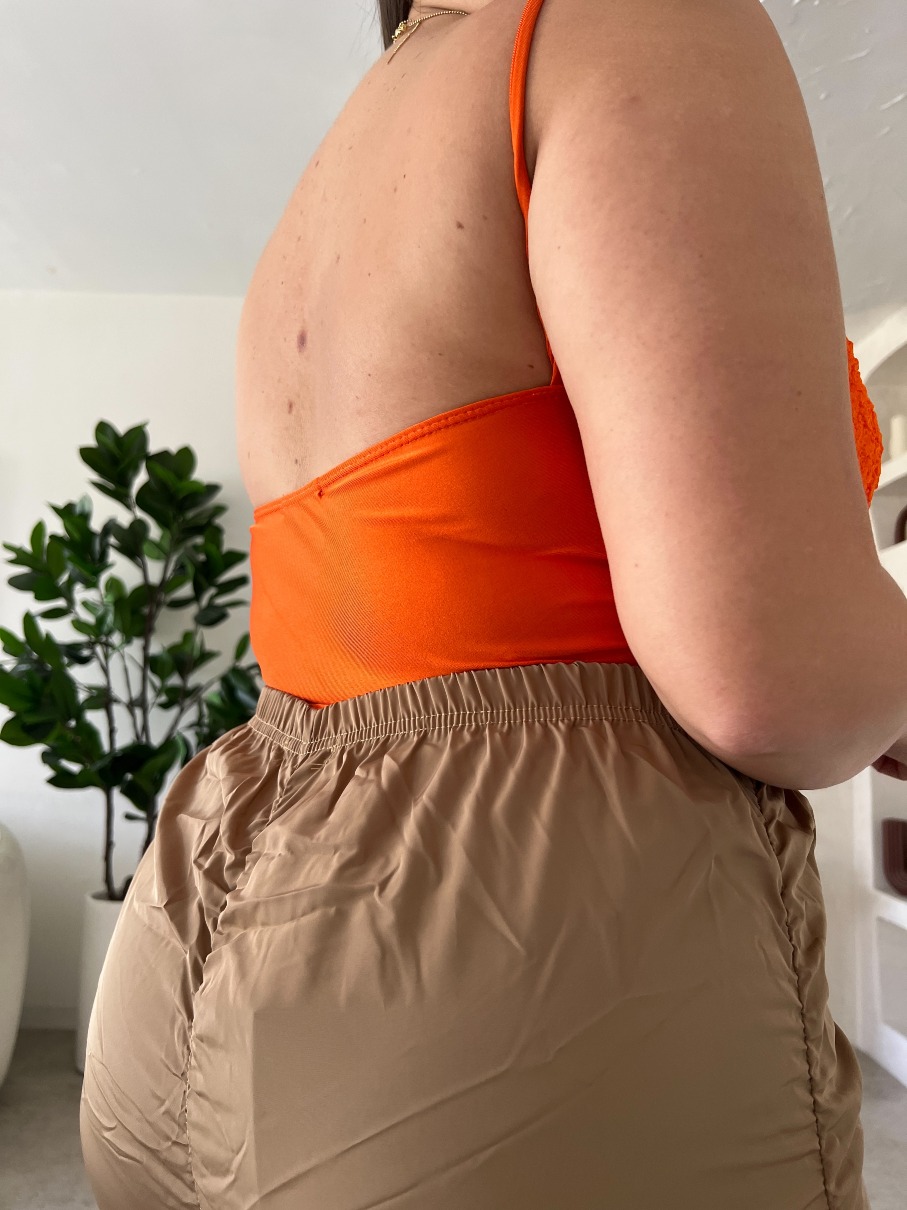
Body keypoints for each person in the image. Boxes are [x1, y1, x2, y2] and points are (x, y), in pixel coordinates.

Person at [80, 0, 900, 1205]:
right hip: (501, 984)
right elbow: (773, 682)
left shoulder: (367, 130)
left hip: (206, 921)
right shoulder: (646, 25)